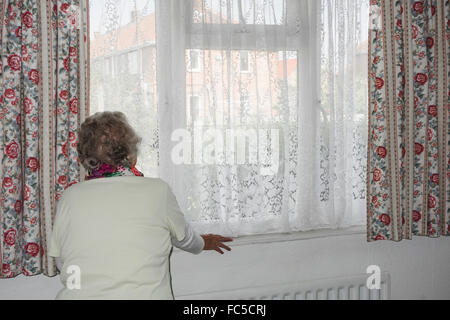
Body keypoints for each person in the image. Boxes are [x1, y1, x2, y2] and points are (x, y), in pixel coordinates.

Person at [48, 111, 232, 299]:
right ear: (130, 155)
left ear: (87, 158)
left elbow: (62, 261)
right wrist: (203, 243)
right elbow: (184, 238)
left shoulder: (70, 197)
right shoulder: (157, 191)